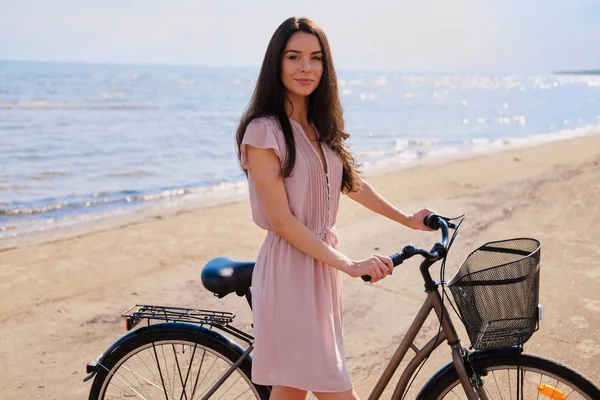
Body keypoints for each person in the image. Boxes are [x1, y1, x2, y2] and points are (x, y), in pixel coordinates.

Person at [236, 16, 434, 400]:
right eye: (294, 57)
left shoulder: (318, 125)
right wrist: (349, 264)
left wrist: (407, 220)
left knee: (291, 389)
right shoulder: (264, 131)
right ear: (277, 63)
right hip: (289, 271)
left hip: (319, 270)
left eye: (315, 58)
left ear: (326, 66)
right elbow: (280, 221)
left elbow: (350, 183)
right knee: (334, 387)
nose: (305, 68)